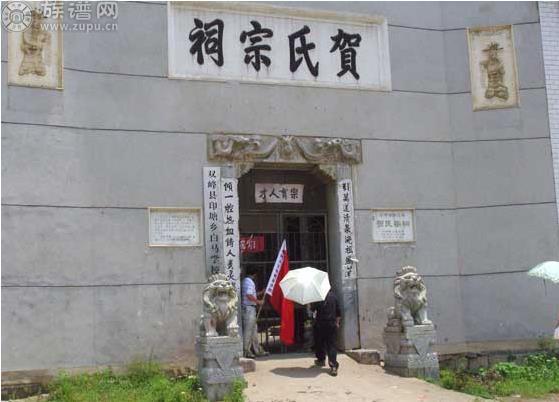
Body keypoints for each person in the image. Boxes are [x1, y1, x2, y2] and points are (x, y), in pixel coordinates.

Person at [312, 289, 341, 376]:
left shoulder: (318, 298)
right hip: (332, 324)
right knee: (331, 345)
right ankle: (333, 366)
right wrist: (337, 323)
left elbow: (313, 310)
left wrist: (311, 305)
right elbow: (338, 312)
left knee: (319, 342)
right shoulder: (334, 297)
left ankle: (321, 359)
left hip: (320, 325)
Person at [241, 268, 269, 358]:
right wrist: (258, 302)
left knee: (254, 331)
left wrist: (261, 293)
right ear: (254, 275)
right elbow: (249, 295)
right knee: (249, 331)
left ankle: (258, 350)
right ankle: (246, 351)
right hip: (249, 309)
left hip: (249, 309)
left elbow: (251, 294)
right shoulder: (249, 282)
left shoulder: (245, 281)